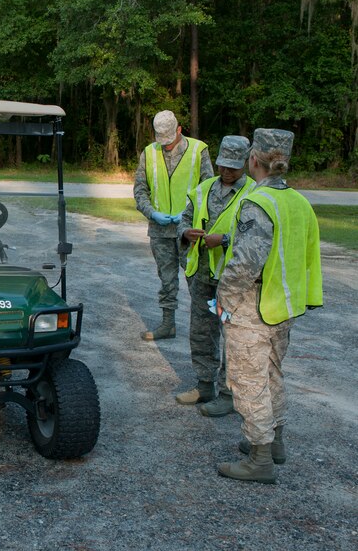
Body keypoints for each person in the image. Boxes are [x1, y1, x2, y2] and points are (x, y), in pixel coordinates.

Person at [215, 128, 323, 484]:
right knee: (273, 374)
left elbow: (246, 263)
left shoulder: (258, 203)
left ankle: (260, 457)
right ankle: (275, 444)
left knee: (248, 382)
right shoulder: (299, 201)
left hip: (252, 308)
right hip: (283, 307)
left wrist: (224, 301)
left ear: (253, 161)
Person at [175, 136, 254, 414]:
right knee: (201, 332)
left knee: (232, 335)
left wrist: (224, 239)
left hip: (233, 280)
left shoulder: (254, 194)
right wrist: (185, 232)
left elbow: (256, 237)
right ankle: (204, 384)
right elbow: (185, 218)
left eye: (233, 166)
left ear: (245, 163)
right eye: (223, 165)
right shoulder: (204, 188)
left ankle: (228, 394)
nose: (227, 171)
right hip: (202, 275)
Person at [133, 110, 213, 340]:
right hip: (160, 230)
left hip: (189, 230)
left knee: (197, 280)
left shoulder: (199, 150)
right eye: (162, 142)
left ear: (179, 130)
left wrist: (187, 214)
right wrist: (152, 213)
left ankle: (203, 329)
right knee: (167, 280)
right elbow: (140, 190)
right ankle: (168, 324)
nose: (166, 146)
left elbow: (208, 191)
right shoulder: (149, 153)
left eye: (169, 141)